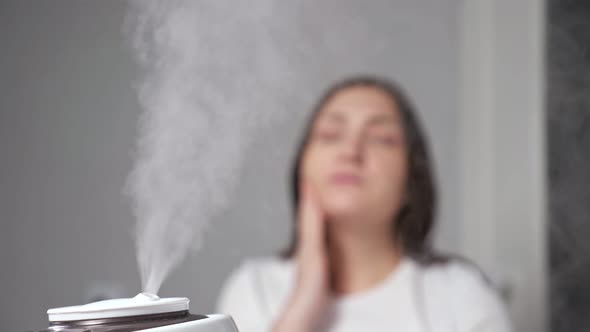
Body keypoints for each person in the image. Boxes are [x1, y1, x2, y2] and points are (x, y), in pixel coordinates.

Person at [217, 76, 512, 332]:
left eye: (381, 139)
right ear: (302, 168)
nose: (351, 151)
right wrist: (303, 303)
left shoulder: (459, 294)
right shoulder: (255, 288)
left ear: (412, 179)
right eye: (330, 135)